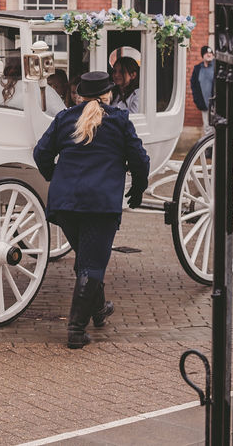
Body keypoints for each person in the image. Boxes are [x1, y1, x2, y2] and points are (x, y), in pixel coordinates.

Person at [33, 72, 150, 349]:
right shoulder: (119, 120)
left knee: (86, 259)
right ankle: (75, 330)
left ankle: (99, 310)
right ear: (108, 94)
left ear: (79, 94)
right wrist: (138, 188)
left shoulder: (64, 118)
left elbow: (41, 153)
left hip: (65, 204)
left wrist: (54, 176)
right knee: (92, 264)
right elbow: (140, 159)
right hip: (100, 204)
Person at [190, 45, 215, 136]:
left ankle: (217, 149)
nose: (209, 55)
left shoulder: (217, 67)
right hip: (204, 105)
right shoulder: (198, 69)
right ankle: (209, 149)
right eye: (207, 53)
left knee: (217, 127)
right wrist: (197, 100)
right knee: (207, 128)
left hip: (216, 104)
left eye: (210, 53)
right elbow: (193, 85)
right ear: (202, 55)